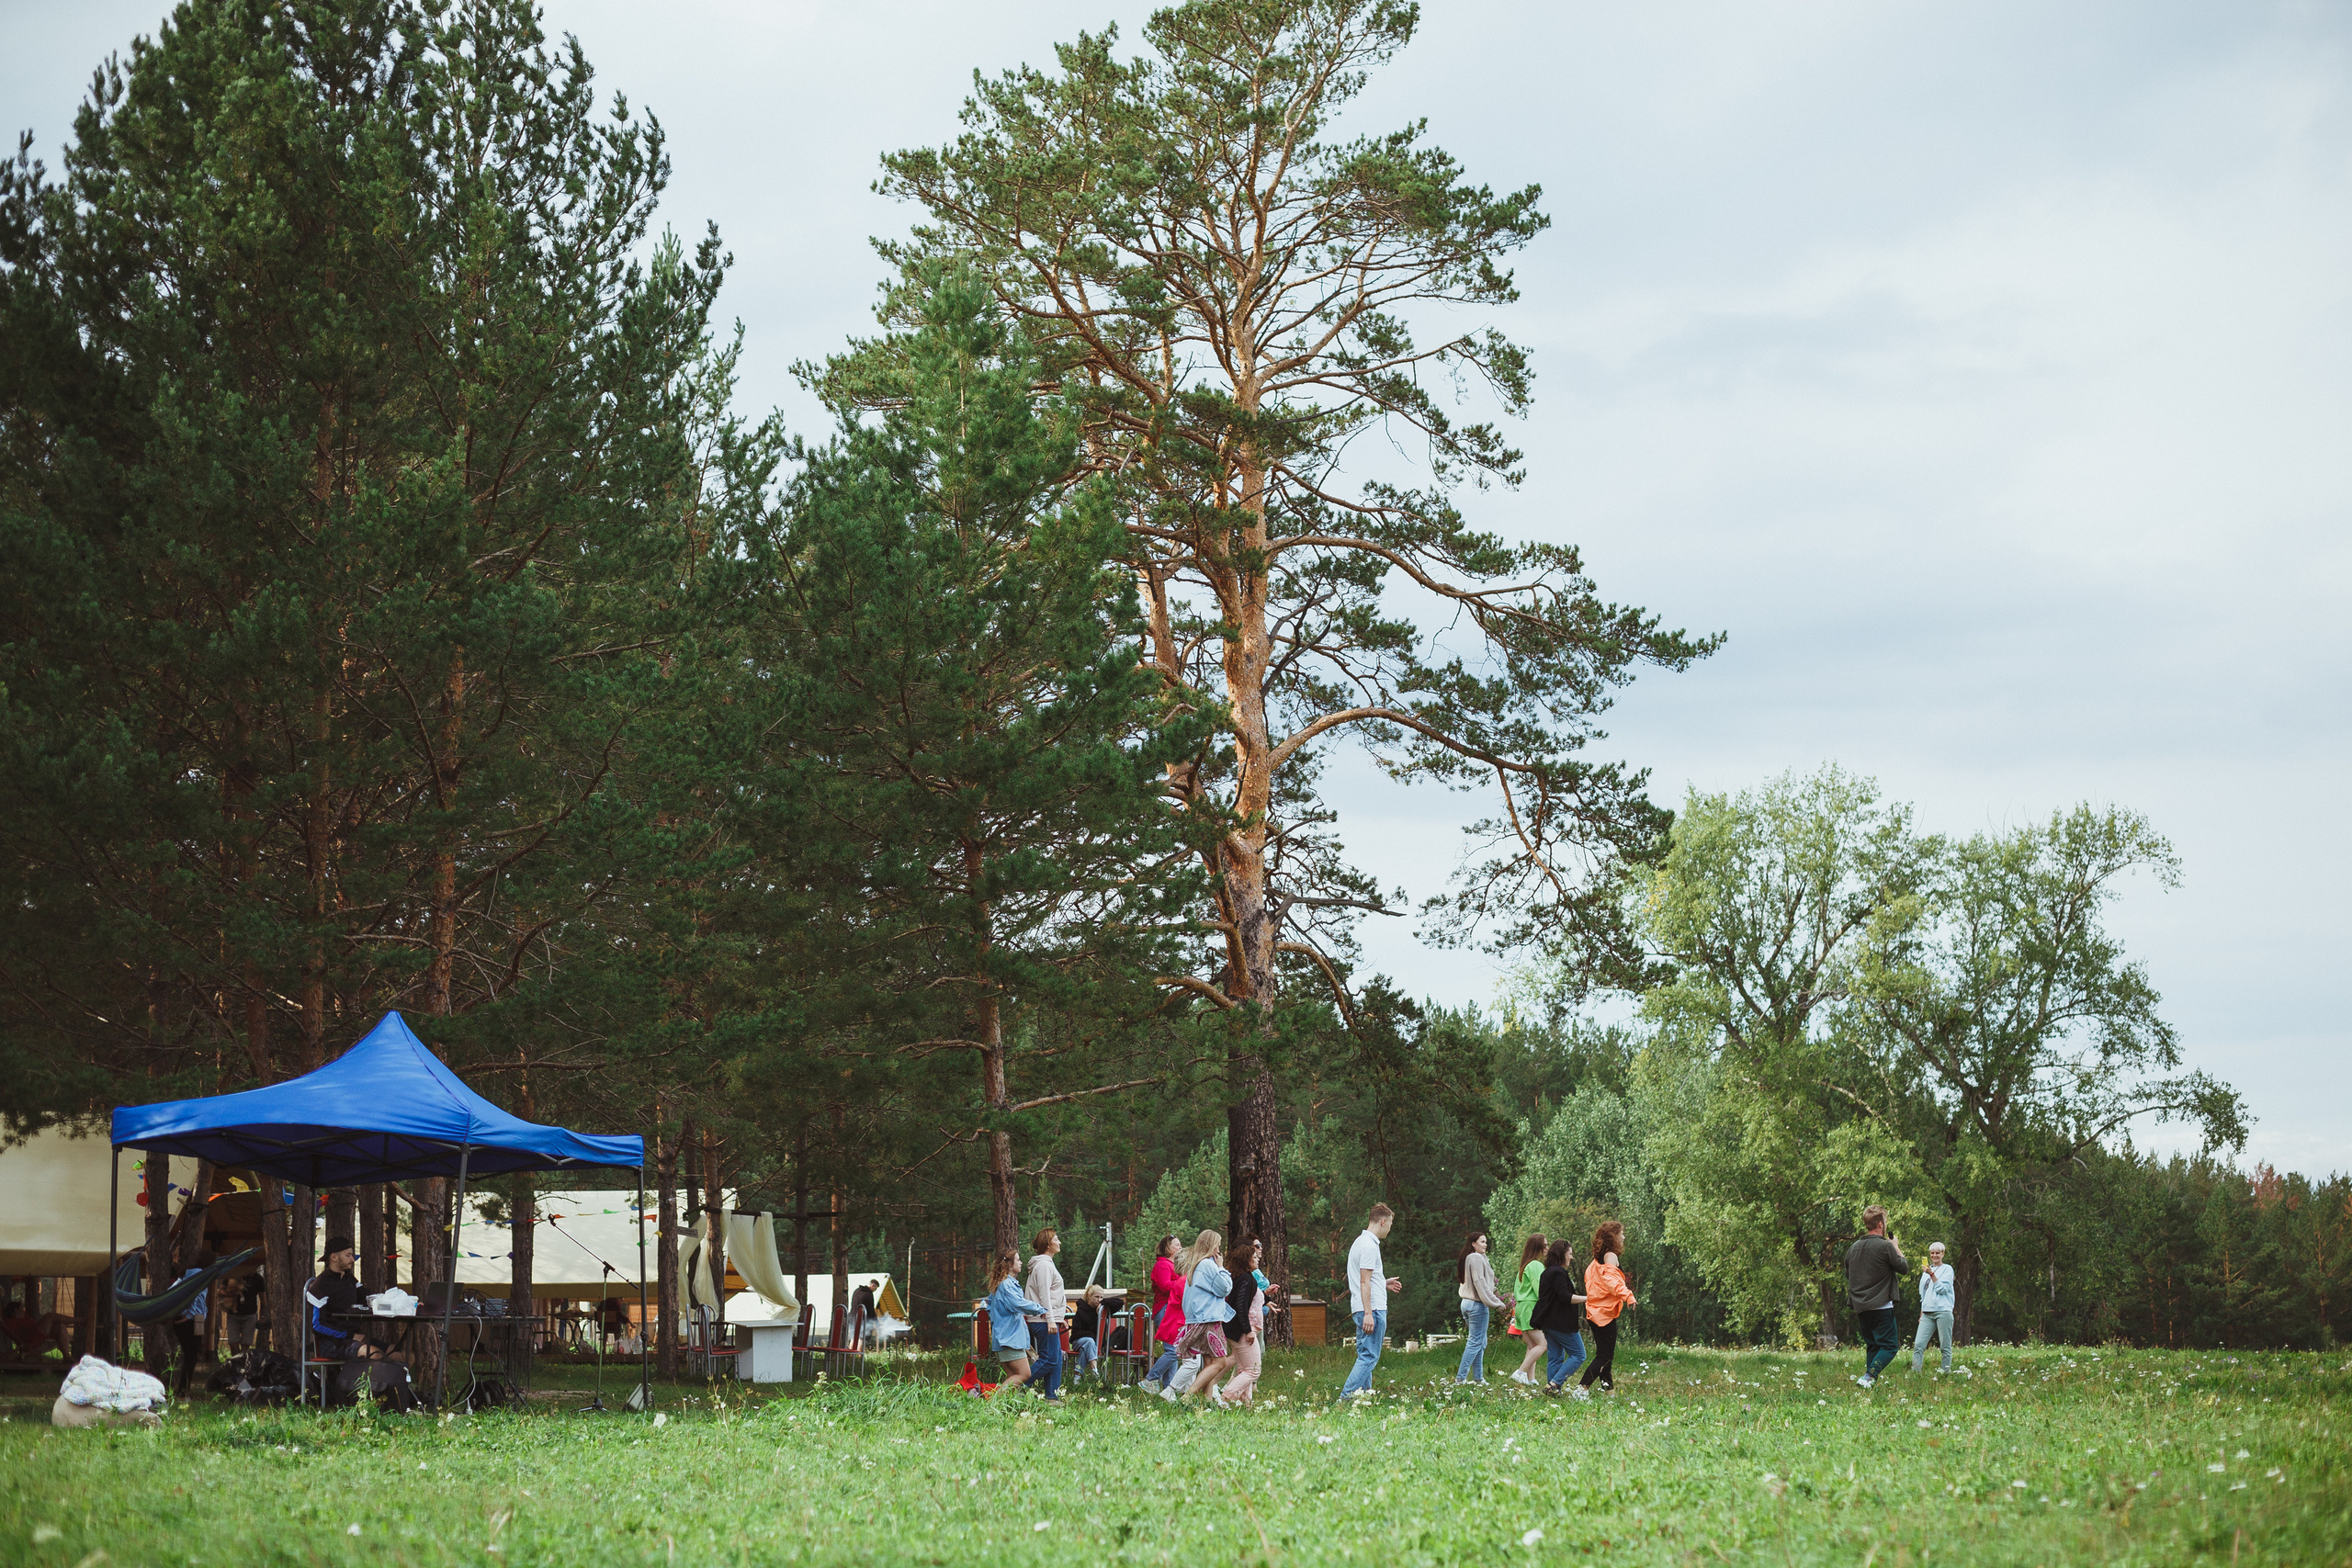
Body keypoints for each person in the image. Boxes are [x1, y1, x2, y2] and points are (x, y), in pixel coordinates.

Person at [1340, 1203, 1401, 1399]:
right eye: (1390, 1223)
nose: (1390, 1228)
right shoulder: (1368, 1245)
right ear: (1383, 1221)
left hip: (1367, 1307)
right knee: (1369, 1356)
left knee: (1365, 1355)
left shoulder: (1360, 1242)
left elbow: (1367, 1280)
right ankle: (1346, 1398)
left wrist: (1383, 1283)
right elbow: (1364, 1281)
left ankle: (1365, 1397)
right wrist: (1368, 1313)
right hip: (1372, 1309)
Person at [1845, 1205, 1910, 1388]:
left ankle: (1869, 1383)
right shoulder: (1885, 1246)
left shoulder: (1853, 1248)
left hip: (1860, 1307)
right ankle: (1868, 1376)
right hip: (1881, 1306)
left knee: (1873, 1345)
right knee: (1890, 1346)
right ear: (1881, 1224)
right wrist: (1895, 1246)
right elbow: (1903, 1267)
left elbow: (1848, 1275)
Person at [1168, 1230, 1235, 1404]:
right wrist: (1221, 1267)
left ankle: (1206, 1402)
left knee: (1209, 1361)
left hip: (1198, 1319)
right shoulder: (1208, 1265)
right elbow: (1225, 1288)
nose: (1219, 1249)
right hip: (1209, 1320)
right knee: (1220, 1362)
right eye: (1218, 1245)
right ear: (1211, 1245)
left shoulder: (1195, 1265)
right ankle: (1188, 1396)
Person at [1579, 1222, 1636, 1394]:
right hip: (1603, 1314)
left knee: (1605, 1356)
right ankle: (1582, 1388)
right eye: (1621, 1234)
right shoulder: (1611, 1256)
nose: (1624, 1237)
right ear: (1614, 1237)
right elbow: (1612, 1281)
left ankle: (1609, 1393)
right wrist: (1628, 1295)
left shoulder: (1597, 1261)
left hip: (1595, 1312)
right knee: (1605, 1356)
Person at [1530, 1238, 1589, 1394]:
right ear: (1562, 1255)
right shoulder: (1558, 1273)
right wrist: (1589, 1298)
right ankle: (1555, 1383)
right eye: (1570, 1254)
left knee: (1555, 1357)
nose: (1571, 1257)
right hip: (1560, 1323)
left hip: (1549, 1323)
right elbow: (1566, 1297)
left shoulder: (1548, 1272)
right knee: (1579, 1355)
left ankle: (1554, 1391)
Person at [984, 1252, 1047, 1395]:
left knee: (1013, 1377)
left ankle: (1007, 1409)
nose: (1021, 1263)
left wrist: (1000, 1319)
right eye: (1018, 1260)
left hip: (1003, 1338)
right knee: (1025, 1374)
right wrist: (1041, 1309)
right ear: (1010, 1264)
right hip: (1010, 1339)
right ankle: (991, 1402)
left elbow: (989, 1307)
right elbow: (1019, 1303)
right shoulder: (1007, 1285)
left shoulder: (1000, 1284)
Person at [1454, 1231, 1506, 1385]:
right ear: (1473, 1244)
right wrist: (1497, 1303)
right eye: (1482, 1242)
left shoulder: (1473, 1258)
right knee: (1475, 1342)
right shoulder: (1475, 1258)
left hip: (1468, 1304)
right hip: (1477, 1305)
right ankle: (1460, 1378)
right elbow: (1480, 1284)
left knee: (1480, 1342)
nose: (1485, 1244)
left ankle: (1478, 1378)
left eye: (1485, 1242)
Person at [1220, 1239, 1267, 1405]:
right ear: (1246, 1260)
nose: (1258, 1259)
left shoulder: (1242, 1278)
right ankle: (1225, 1397)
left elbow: (1247, 1302)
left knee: (1243, 1369)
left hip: (1236, 1328)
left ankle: (1246, 1404)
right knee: (1253, 1371)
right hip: (1242, 1330)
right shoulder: (1246, 1279)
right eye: (1254, 1257)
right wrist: (1248, 1330)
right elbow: (1241, 1306)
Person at [1141, 1234, 1189, 1393]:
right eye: (1177, 1245)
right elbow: (1165, 1286)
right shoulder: (1162, 1265)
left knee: (1173, 1350)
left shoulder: (1172, 1265)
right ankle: (1150, 1379)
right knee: (1173, 1351)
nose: (1180, 1247)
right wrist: (1183, 1281)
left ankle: (1168, 1389)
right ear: (1168, 1248)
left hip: (1172, 1310)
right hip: (1164, 1309)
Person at [1025, 1228, 1068, 1402]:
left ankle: (1052, 1398)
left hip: (1048, 1319)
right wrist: (1051, 1319)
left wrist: (1058, 1318)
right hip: (1042, 1320)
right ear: (1048, 1244)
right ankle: (1015, 1387)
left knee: (1056, 1360)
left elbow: (1050, 1295)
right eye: (1056, 1239)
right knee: (1050, 1359)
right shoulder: (1043, 1265)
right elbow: (1044, 1294)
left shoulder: (1046, 1263)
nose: (1060, 1242)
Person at [169, 1247, 215, 1398]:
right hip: (192, 1318)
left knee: (192, 1355)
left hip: (197, 1318)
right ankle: (183, 1391)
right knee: (191, 1356)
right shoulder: (197, 1274)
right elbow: (194, 1296)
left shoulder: (189, 1273)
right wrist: (189, 1315)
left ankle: (184, 1390)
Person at [1510, 1235, 1548, 1386]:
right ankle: (1520, 1372)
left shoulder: (1524, 1265)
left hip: (1520, 1307)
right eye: (1544, 1245)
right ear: (1537, 1247)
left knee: (1532, 1345)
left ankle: (1530, 1379)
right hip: (1530, 1307)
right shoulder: (1536, 1265)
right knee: (1543, 1344)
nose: (1547, 1248)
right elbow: (1540, 1290)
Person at [1912, 1241, 1955, 1372]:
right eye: (1932, 1253)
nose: (1935, 1255)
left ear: (1943, 1254)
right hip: (1927, 1312)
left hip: (1943, 1311)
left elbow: (1942, 1289)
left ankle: (1946, 1373)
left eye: (1937, 1253)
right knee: (1918, 1345)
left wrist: (1931, 1274)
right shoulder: (1926, 1271)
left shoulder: (1947, 1269)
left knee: (1945, 1346)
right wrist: (1921, 1313)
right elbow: (1923, 1295)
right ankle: (1915, 1373)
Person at [1070, 1284, 1105, 1381]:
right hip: (1078, 1341)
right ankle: (1094, 1370)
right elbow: (1075, 1333)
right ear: (1089, 1296)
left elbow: (1118, 1302)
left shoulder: (1101, 1310)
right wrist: (1091, 1336)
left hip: (1090, 1345)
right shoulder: (1081, 1311)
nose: (1099, 1300)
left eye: (1102, 1297)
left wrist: (1103, 1304)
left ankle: (1076, 1378)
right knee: (1089, 1342)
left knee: (1084, 1349)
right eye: (1097, 1297)